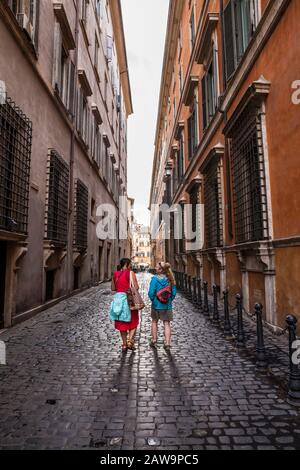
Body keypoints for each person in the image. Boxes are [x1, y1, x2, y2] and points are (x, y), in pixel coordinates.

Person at [111, 258, 140, 352]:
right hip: (129, 300)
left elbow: (113, 288)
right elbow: (136, 287)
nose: (131, 266)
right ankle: (130, 341)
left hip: (119, 301)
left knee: (121, 323)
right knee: (134, 320)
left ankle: (124, 344)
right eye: (130, 264)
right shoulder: (131, 273)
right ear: (127, 264)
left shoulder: (115, 274)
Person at [148, 262, 177, 351]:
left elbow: (151, 293)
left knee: (154, 322)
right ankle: (167, 343)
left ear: (160, 270)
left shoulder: (154, 279)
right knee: (167, 323)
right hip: (167, 305)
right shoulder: (170, 279)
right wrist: (168, 300)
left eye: (156, 267)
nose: (155, 268)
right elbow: (174, 293)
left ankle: (154, 340)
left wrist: (154, 300)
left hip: (156, 305)